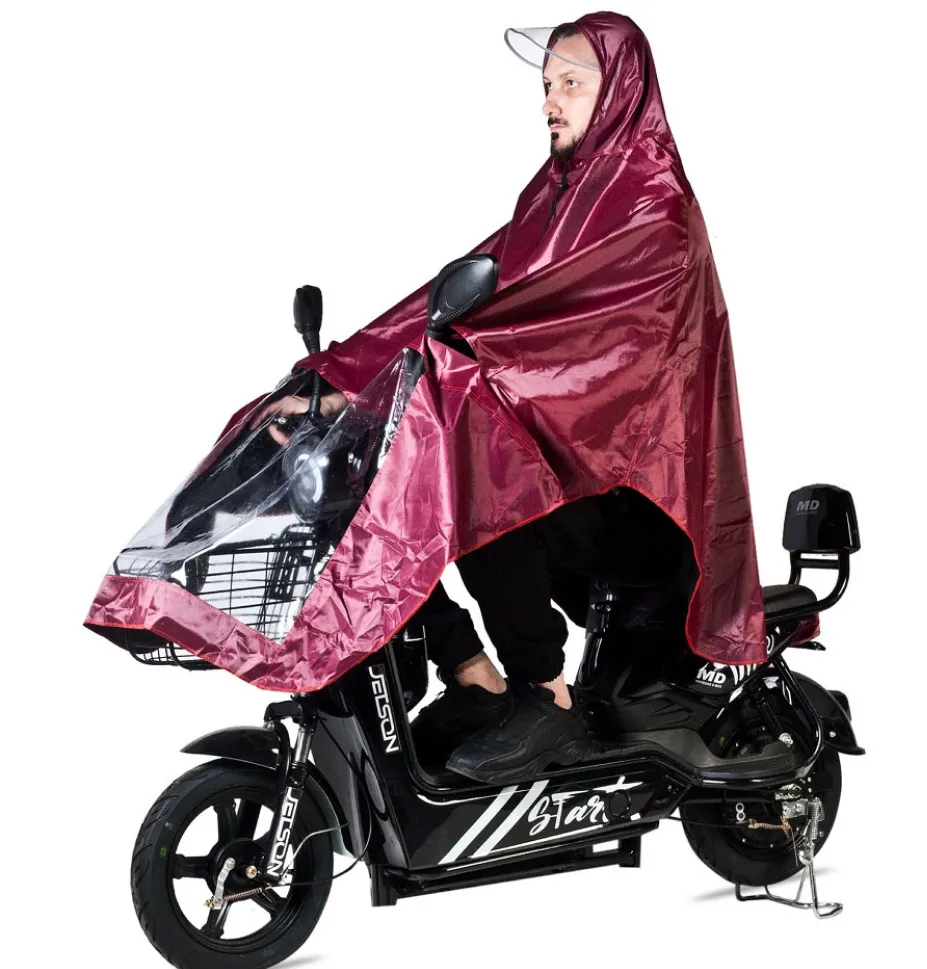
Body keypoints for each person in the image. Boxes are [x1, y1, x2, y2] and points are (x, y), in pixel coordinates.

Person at [249, 17, 735, 783]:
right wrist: (341, 380)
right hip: (569, 485)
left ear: (621, 90)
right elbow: (454, 302)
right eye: (546, 85)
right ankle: (472, 671)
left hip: (638, 507)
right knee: (381, 470)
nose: (550, 102)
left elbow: (586, 359)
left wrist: (455, 374)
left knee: (477, 449)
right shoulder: (555, 199)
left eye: (571, 83)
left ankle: (546, 695)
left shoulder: (653, 213)